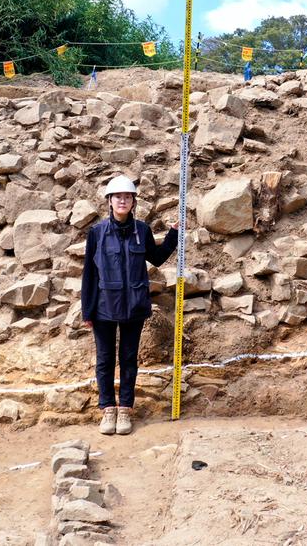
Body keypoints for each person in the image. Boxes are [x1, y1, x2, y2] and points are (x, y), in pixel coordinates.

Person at [81, 175, 178, 435]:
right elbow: (89, 274)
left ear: (133, 202)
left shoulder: (142, 231)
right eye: (118, 197)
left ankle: (125, 409)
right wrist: (87, 310)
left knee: (128, 359)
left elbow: (157, 258)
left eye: (127, 197)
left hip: (134, 306)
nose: (122, 201)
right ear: (110, 201)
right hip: (103, 307)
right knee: (105, 360)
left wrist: (174, 234)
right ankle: (107, 409)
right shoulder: (97, 233)